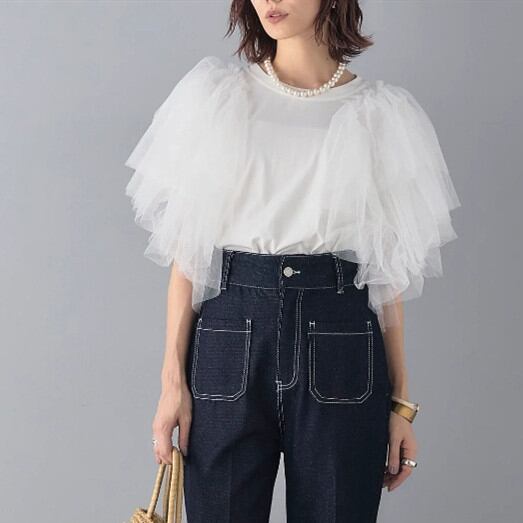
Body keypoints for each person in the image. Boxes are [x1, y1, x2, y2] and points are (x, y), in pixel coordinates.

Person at [124, 1, 460, 521]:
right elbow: (187, 256)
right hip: (230, 332)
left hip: (342, 335)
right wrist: (172, 384)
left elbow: (385, 274)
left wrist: (401, 403)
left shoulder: (380, 114)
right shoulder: (217, 98)